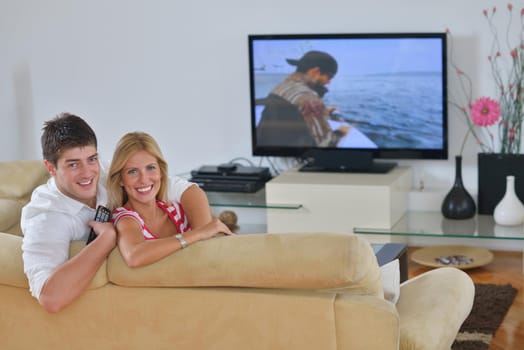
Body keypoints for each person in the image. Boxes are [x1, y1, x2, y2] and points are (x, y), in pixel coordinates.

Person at [21, 113, 212, 313]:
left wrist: (204, 245)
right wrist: (106, 239)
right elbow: (51, 298)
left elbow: (187, 190)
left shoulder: (104, 173)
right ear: (50, 167)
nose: (88, 173)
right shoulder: (46, 218)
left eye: (92, 159)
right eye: (73, 164)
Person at [106, 132, 234, 268]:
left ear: (161, 172)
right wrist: (199, 233)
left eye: (151, 168)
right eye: (132, 171)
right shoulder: (125, 218)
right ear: (120, 179)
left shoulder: (177, 210)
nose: (144, 179)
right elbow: (134, 256)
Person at [256, 50, 350, 147]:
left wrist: (324, 111)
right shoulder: (309, 99)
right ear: (316, 71)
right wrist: (341, 132)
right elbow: (327, 144)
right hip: (292, 158)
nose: (329, 81)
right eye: (330, 76)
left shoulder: (282, 87)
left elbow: (291, 113)